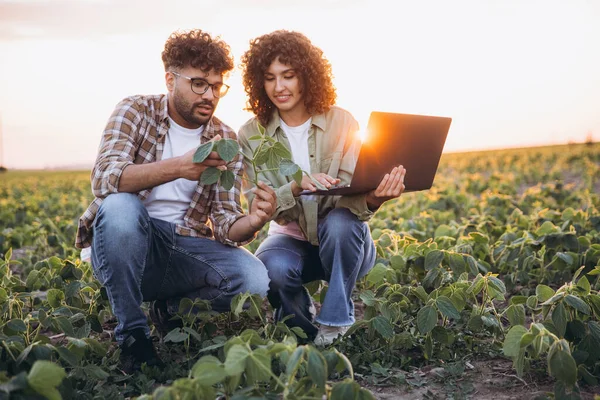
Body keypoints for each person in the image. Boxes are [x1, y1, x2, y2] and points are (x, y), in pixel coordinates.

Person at [75, 29, 276, 373]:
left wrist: (255, 219)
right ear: (170, 79)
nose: (209, 95)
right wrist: (180, 167)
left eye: (217, 86)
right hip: (127, 245)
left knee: (253, 279)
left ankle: (169, 310)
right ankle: (133, 335)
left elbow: (227, 223)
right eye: (199, 83)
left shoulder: (225, 138)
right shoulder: (135, 110)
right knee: (122, 207)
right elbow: (106, 178)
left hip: (185, 247)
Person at [238, 30, 407, 346]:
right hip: (290, 239)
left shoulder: (342, 121)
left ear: (306, 75)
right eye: (270, 78)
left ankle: (335, 323)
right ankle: (304, 331)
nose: (279, 87)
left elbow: (353, 195)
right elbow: (260, 207)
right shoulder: (251, 134)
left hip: (343, 241)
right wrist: (297, 186)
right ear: (259, 82)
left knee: (340, 223)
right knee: (271, 268)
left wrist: (375, 198)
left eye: (288, 76)